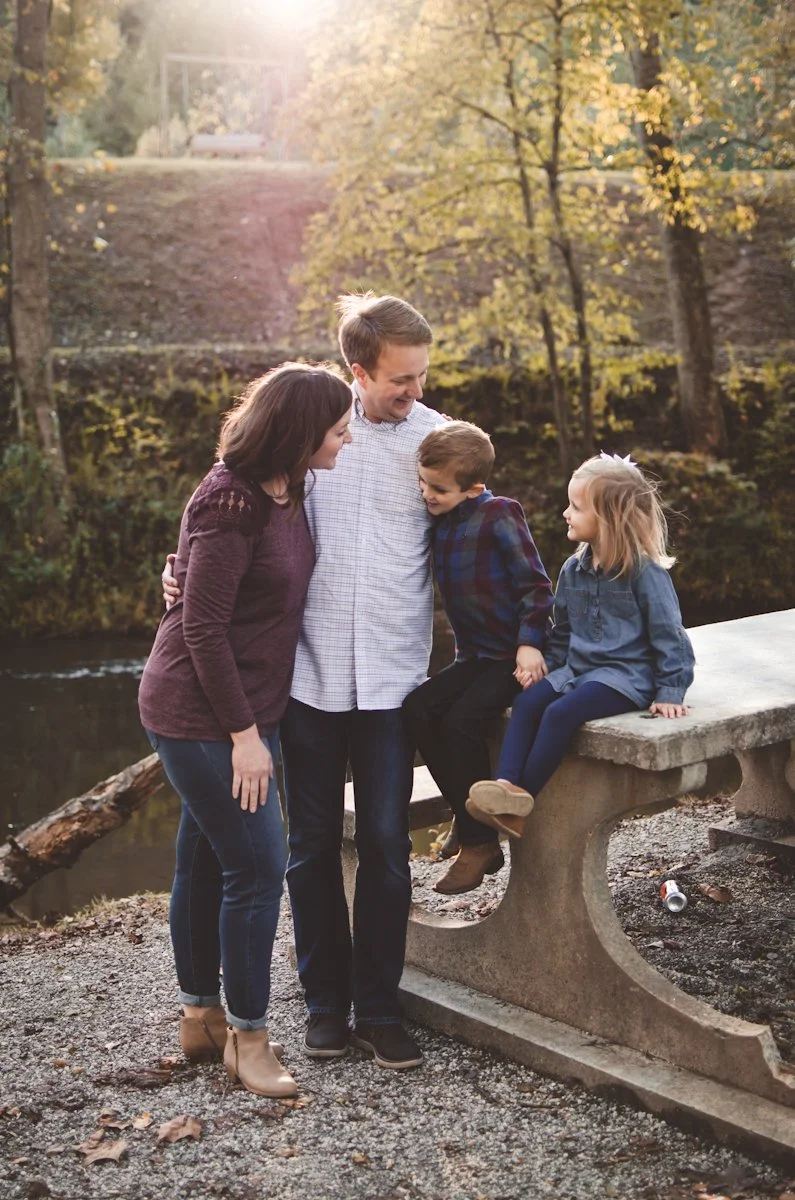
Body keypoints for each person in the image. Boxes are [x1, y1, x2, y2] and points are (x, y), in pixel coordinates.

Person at [163, 293, 445, 1070]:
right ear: (359, 371)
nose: (414, 392)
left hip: (392, 680)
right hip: (307, 681)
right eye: (399, 380)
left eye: (422, 376)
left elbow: (481, 533)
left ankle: (380, 1007)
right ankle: (324, 1004)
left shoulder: (437, 442)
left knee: (388, 844)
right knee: (309, 844)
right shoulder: (315, 438)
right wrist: (181, 570)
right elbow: (235, 505)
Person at [140, 362, 353, 1098]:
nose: (346, 439)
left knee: (204, 860)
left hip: (247, 705)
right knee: (258, 870)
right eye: (336, 428)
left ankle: (200, 1017)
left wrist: (178, 568)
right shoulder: (231, 501)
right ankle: (249, 1039)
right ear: (298, 432)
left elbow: (190, 570)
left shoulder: (286, 485)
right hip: (201, 713)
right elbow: (200, 627)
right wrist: (244, 735)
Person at [466, 453, 695, 839]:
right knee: (528, 702)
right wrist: (546, 668)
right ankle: (504, 788)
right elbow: (564, 631)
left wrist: (671, 689)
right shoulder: (573, 569)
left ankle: (522, 801)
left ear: (607, 517)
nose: (565, 513)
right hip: (579, 669)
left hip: (625, 678)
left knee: (560, 714)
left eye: (575, 506)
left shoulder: (644, 573)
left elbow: (670, 634)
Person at [401, 421, 553, 895]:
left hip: (512, 657)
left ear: (474, 488)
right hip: (473, 656)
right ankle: (467, 820)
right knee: (418, 710)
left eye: (438, 488)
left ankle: (480, 842)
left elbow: (536, 584)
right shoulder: (441, 520)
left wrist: (531, 641)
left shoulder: (500, 514)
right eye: (422, 482)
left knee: (462, 722)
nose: (427, 494)